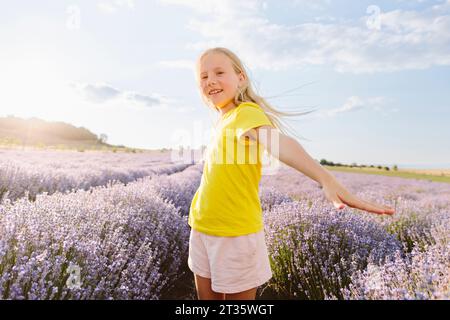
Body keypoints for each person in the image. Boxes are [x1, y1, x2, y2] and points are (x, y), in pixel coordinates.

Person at [187, 47, 395, 301]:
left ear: (241, 77)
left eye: (219, 72)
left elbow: (280, 143)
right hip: (202, 227)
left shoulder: (246, 114)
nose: (211, 80)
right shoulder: (223, 120)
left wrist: (325, 178)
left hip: (234, 235)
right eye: (204, 76)